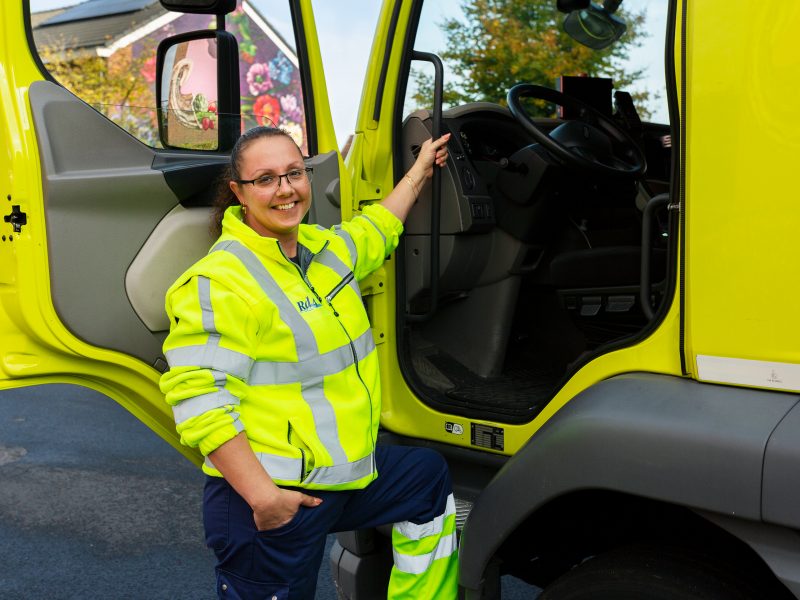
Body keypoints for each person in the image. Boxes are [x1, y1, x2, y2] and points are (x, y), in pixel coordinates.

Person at [160, 125, 455, 599]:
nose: (285, 189)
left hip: (343, 478)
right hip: (272, 499)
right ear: (238, 192)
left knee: (426, 479)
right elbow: (200, 402)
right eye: (266, 179)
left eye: (294, 173)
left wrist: (420, 172)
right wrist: (265, 498)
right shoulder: (220, 281)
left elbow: (378, 227)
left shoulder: (324, 251)